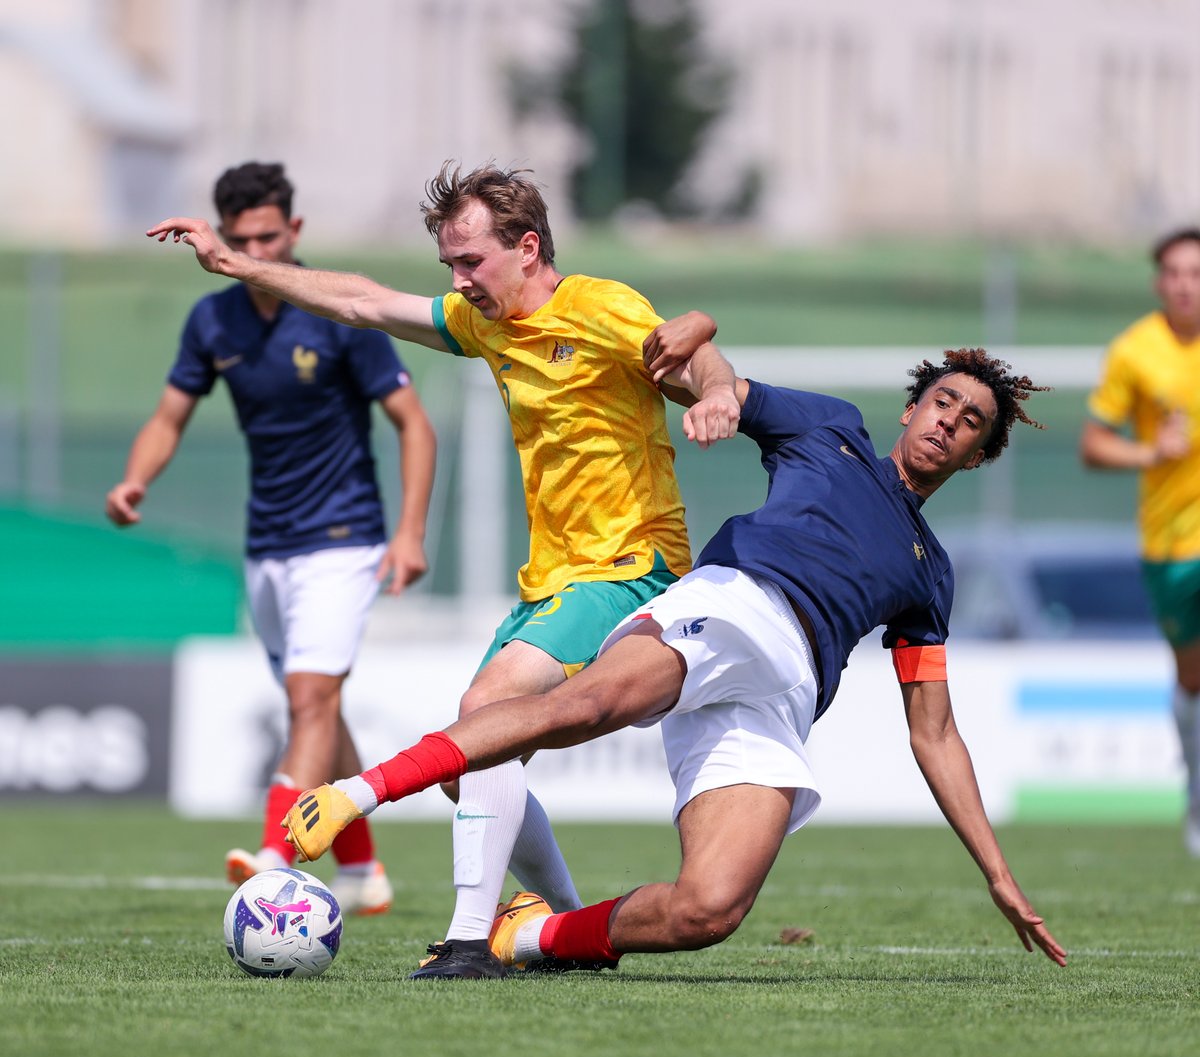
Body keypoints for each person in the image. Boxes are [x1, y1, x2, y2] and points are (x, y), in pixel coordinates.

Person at [280, 339, 1068, 974]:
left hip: (779, 697)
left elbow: (933, 733)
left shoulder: (932, 572)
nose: (948, 422)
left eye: (969, 423)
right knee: (581, 708)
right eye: (942, 402)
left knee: (709, 910)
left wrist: (997, 874)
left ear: (976, 457)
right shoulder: (832, 432)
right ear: (912, 407)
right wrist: (713, 375)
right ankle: (359, 791)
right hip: (731, 608)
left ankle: (525, 939)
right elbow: (717, 381)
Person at [146, 163, 740, 977]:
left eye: (472, 263)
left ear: (527, 247)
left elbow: (694, 353)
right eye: (449, 268)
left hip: (632, 567)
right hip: (554, 580)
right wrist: (241, 266)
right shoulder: (484, 321)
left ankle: (468, 941)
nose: (460, 283)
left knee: (485, 710)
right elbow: (361, 300)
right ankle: (573, 928)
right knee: (470, 771)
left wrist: (717, 394)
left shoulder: (602, 309)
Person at [110, 161, 437, 914]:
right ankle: (361, 870)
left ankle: (272, 854)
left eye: (269, 234)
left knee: (311, 699)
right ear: (224, 240)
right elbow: (168, 417)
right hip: (267, 545)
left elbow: (412, 424)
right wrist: (135, 480)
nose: (257, 246)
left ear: (294, 231)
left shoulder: (337, 314)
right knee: (315, 708)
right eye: (241, 237)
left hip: (345, 536)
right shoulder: (211, 321)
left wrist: (409, 533)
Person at [1080, 226, 1200, 857]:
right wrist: (1154, 450)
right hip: (1171, 543)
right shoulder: (1136, 351)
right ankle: (1196, 788)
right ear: (1160, 282)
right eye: (1175, 272)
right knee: (1191, 679)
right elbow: (1094, 445)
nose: (1186, 284)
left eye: (1196, 272)